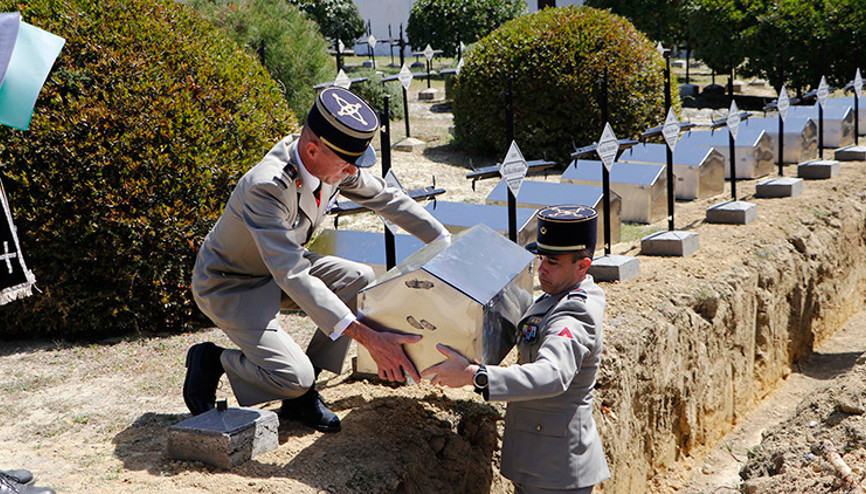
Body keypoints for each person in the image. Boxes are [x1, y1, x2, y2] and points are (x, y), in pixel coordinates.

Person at [184, 87, 450, 432]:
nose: (353, 171)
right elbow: (293, 273)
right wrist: (368, 337)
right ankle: (213, 360)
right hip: (232, 283)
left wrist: (444, 241)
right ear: (313, 149)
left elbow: (386, 197)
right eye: (348, 164)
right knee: (293, 375)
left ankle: (301, 398)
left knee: (358, 279)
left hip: (276, 267)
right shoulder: (267, 186)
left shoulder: (329, 163)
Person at [421, 205, 610, 493]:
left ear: (582, 266)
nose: (541, 268)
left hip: (555, 468)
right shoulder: (559, 294)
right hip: (542, 459)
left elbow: (552, 375)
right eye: (541, 257)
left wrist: (476, 375)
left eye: (553, 262)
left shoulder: (572, 314)